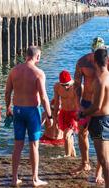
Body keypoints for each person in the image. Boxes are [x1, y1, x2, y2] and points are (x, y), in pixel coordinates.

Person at [5, 46, 52, 187]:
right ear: (37, 57)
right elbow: (43, 97)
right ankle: (35, 179)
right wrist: (49, 115)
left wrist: (8, 108)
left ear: (26, 55)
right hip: (32, 112)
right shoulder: (38, 73)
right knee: (34, 145)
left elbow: (7, 92)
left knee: (17, 145)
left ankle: (14, 179)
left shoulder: (14, 71)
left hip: (18, 110)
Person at [72, 37, 104, 184]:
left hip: (102, 104)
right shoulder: (82, 62)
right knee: (82, 133)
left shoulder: (107, 62)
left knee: (102, 138)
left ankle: (99, 171)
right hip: (85, 102)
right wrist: (78, 104)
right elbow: (77, 84)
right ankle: (85, 163)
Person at [79, 48, 109, 188]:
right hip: (107, 118)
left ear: (95, 62)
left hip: (100, 121)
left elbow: (96, 106)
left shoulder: (99, 80)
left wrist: (83, 112)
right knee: (105, 158)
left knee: (104, 160)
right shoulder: (108, 75)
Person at [53, 70, 79, 157]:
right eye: (63, 85)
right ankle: (73, 157)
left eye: (67, 84)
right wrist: (54, 116)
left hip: (74, 114)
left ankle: (66, 157)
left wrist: (80, 118)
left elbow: (81, 104)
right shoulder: (57, 87)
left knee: (67, 136)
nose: (65, 87)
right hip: (63, 114)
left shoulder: (77, 87)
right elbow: (56, 103)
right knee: (69, 138)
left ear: (71, 81)